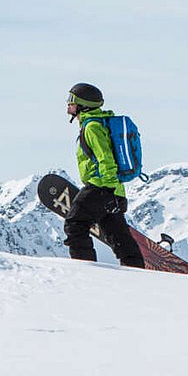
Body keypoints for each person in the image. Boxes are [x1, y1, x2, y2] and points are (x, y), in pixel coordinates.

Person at [63, 82, 146, 268]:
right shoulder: (97, 123)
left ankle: (85, 270)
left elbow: (106, 158)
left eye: (72, 100)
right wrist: (113, 193)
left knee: (75, 224)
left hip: (101, 187)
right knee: (119, 236)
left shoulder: (92, 126)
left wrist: (107, 190)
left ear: (83, 104)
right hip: (113, 189)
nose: (68, 104)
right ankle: (138, 272)